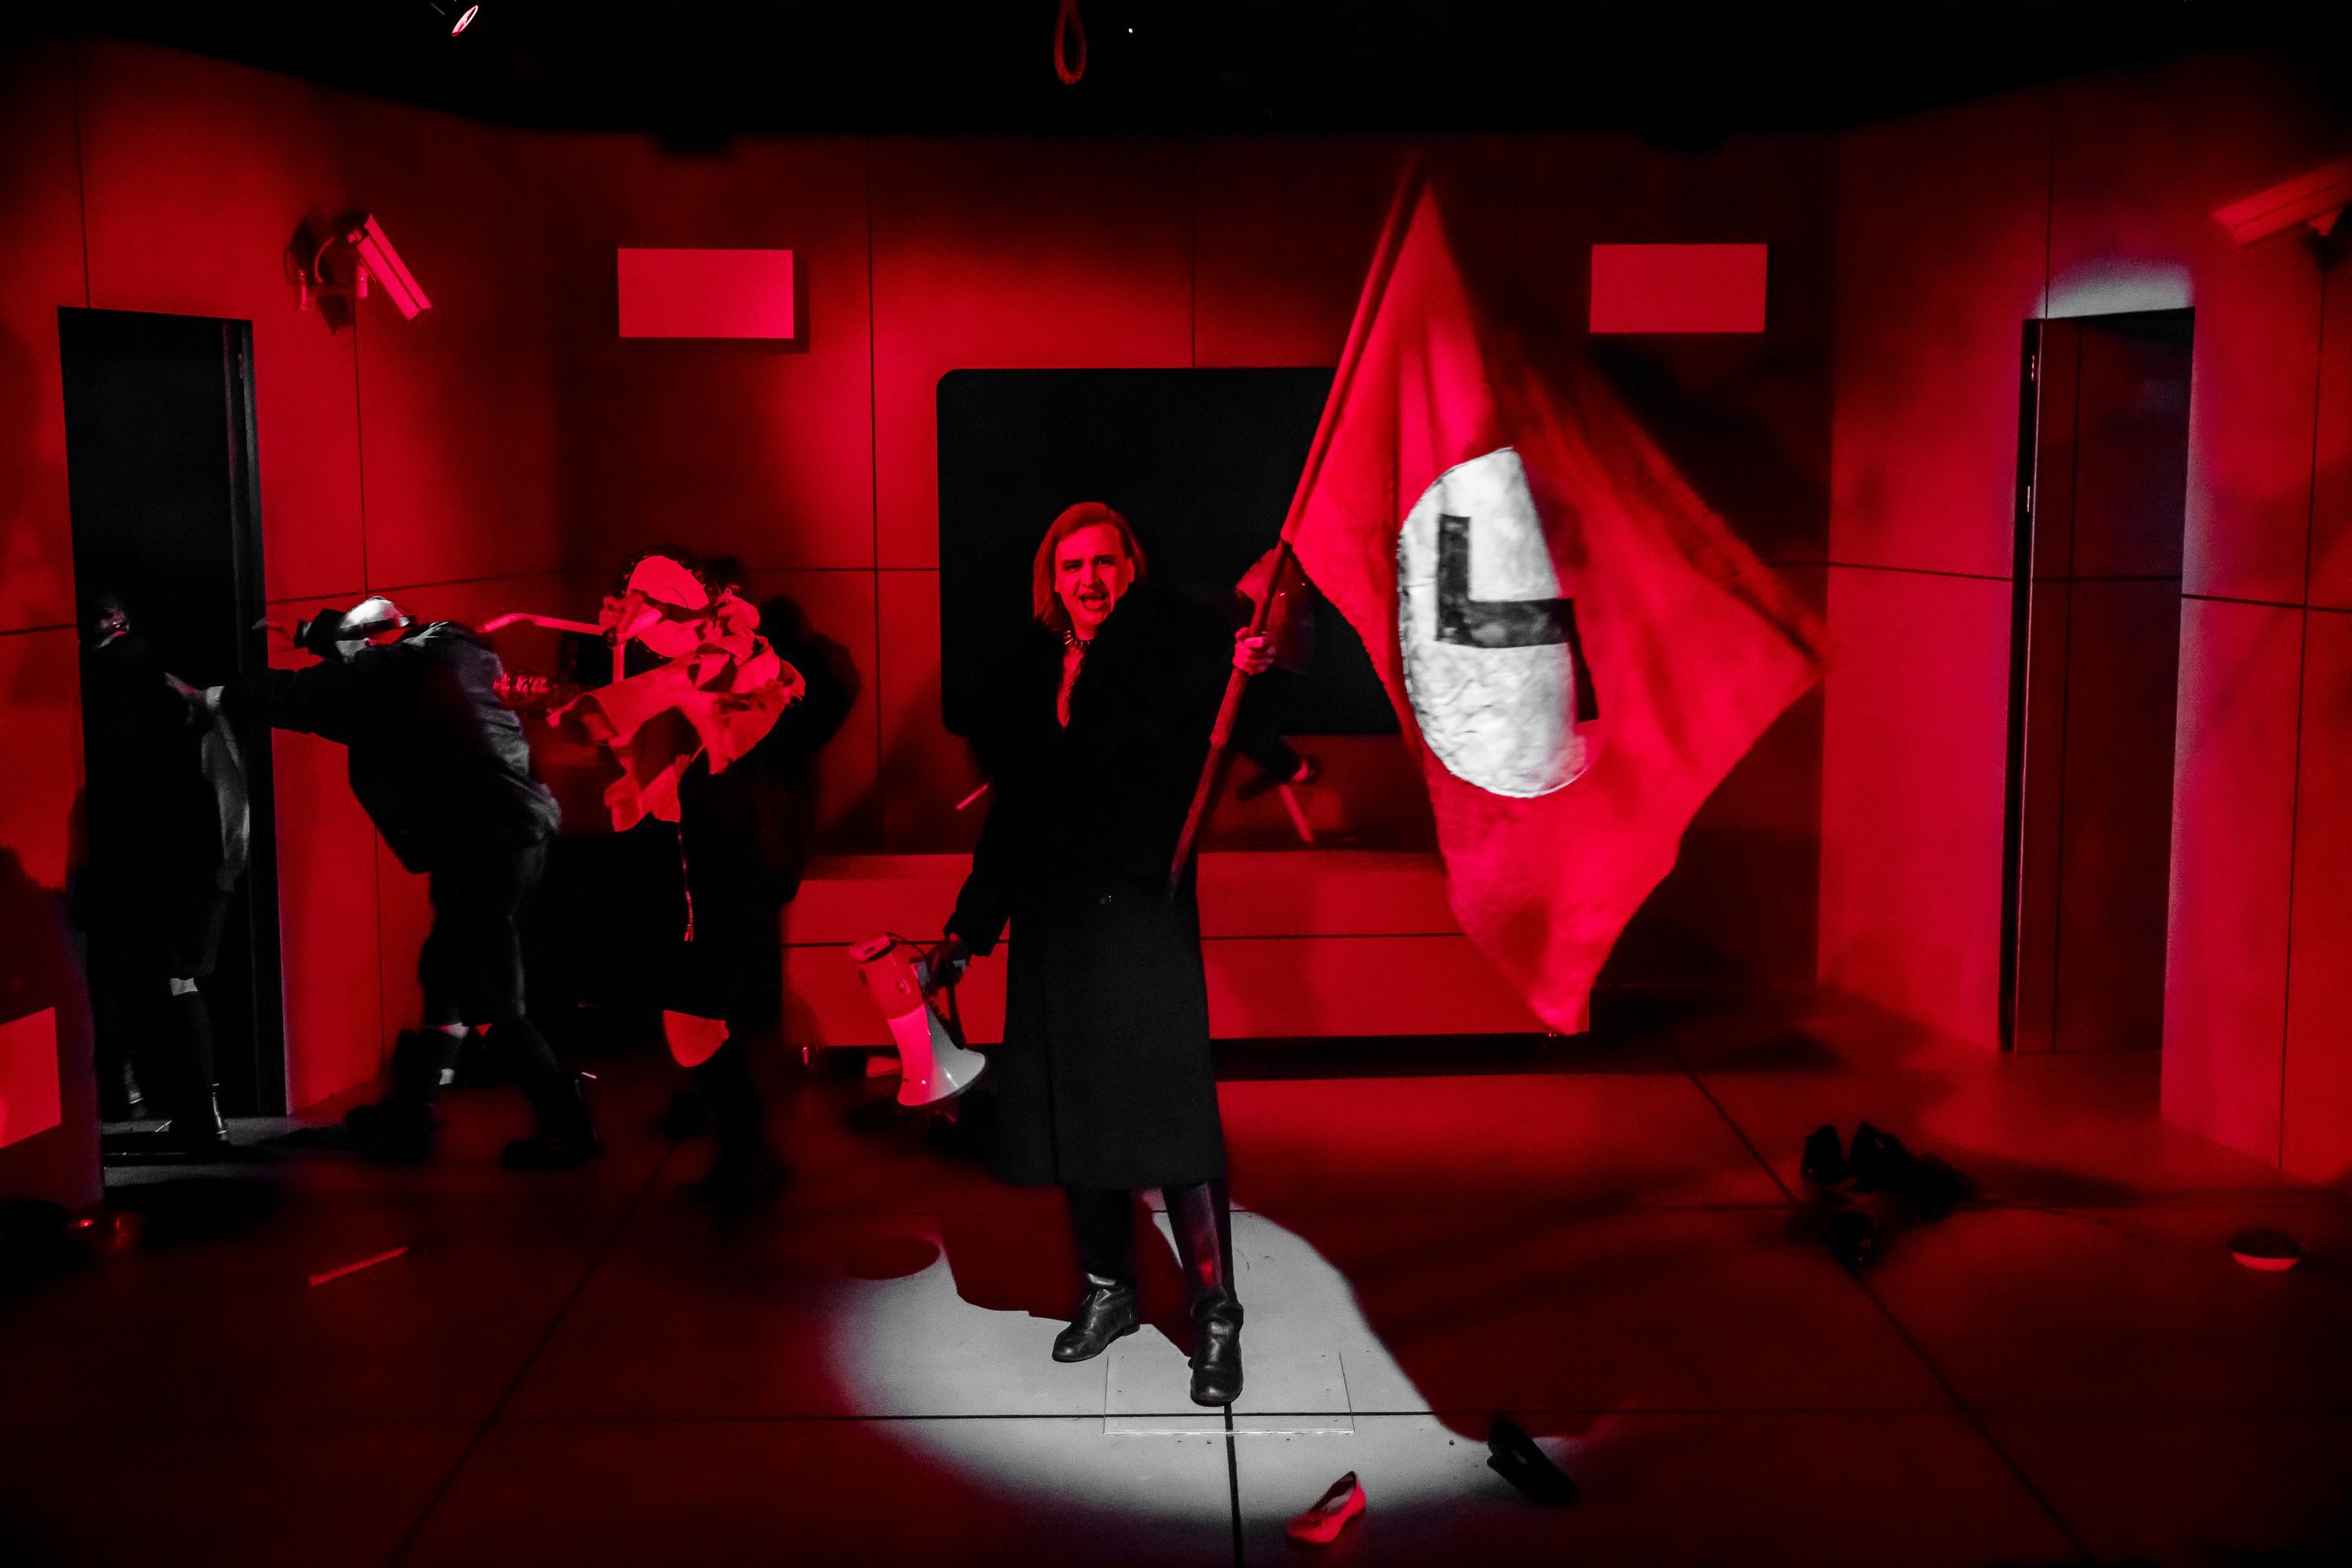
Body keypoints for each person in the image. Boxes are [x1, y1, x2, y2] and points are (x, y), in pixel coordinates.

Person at [929, 502, 1273, 1407]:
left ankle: (1216, 1314)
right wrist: (970, 927)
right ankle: (1110, 1289)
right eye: (1072, 564)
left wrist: (1246, 673)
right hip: (1057, 924)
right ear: (1053, 579)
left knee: (1173, 1114)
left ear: (1130, 568)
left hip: (1140, 915)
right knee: (1074, 1110)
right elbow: (1014, 812)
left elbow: (1221, 705)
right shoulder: (1034, 671)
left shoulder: (1169, 648)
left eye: (1104, 562)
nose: (1089, 578)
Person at [212, 596, 599, 1168]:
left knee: (489, 996)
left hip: (487, 843)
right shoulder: (449, 644)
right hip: (504, 834)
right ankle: (413, 1107)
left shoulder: (398, 674)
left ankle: (567, 1121)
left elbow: (314, 694)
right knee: (445, 971)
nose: (350, 665)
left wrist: (218, 697)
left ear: (374, 646)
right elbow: (370, 648)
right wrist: (311, 631)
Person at [74, 594, 248, 1153]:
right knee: (175, 980)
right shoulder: (169, 684)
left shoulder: (119, 685)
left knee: (168, 980)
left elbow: (150, 788)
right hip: (205, 860)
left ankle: (196, 1114)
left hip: (175, 863)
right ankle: (197, 1111)